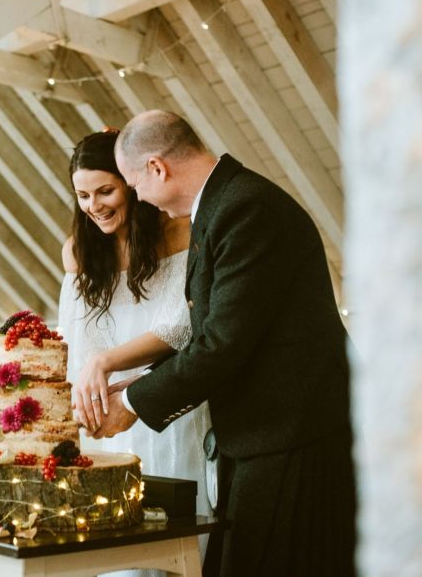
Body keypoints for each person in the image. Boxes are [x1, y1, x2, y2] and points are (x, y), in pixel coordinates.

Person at [93, 111, 356, 577]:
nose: (141, 200)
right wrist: (140, 381)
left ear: (158, 168)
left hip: (295, 435)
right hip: (266, 435)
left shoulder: (244, 208)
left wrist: (133, 401)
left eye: (135, 186)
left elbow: (223, 343)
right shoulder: (223, 205)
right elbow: (218, 329)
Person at [58, 130, 212, 574]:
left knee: (173, 550)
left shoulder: (180, 232)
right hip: (109, 420)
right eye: (83, 195)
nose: (94, 206)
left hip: (172, 410)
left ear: (132, 182)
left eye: (105, 190)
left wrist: (108, 365)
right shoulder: (78, 251)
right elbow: (79, 342)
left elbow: (183, 329)